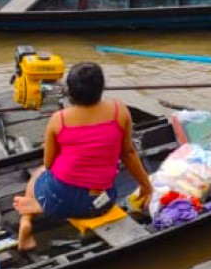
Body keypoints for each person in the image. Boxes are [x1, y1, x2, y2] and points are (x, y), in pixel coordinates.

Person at [13, 62, 153, 252]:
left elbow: (49, 163)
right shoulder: (120, 111)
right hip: (101, 202)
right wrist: (146, 185)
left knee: (41, 172)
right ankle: (41, 206)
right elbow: (128, 153)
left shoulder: (59, 120)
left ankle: (27, 220)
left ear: (70, 92)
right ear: (101, 88)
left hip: (59, 201)